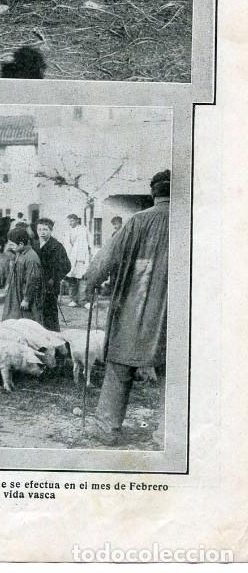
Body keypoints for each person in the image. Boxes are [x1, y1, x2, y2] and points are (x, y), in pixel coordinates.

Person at [83, 171, 170, 446]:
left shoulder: (137, 221)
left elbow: (106, 258)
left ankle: (107, 427)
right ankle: (170, 433)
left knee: (120, 365)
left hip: (136, 304)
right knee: (177, 372)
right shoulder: (194, 222)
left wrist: (91, 281)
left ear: (153, 193)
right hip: (178, 312)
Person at [32, 218, 72, 331]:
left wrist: (54, 279)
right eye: (39, 229)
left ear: (51, 230)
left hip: (50, 286)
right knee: (36, 314)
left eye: (45, 229)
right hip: (36, 284)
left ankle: (55, 339)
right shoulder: (34, 245)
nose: (42, 232)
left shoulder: (57, 246)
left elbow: (67, 266)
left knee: (50, 315)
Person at [1, 227, 44, 324]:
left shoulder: (31, 258)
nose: (9, 246)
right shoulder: (19, 253)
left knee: (26, 321)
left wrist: (26, 299)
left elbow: (32, 280)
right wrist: (8, 283)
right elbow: (13, 270)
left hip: (24, 294)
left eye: (11, 244)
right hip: (15, 292)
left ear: (21, 244)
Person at [65, 213, 93, 308]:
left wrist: (90, 254)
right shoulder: (68, 231)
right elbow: (67, 245)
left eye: (72, 220)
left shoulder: (83, 229)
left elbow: (90, 242)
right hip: (72, 258)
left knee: (83, 279)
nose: (70, 223)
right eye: (69, 221)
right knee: (72, 280)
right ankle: (73, 300)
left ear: (77, 220)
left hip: (82, 257)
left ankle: (83, 301)